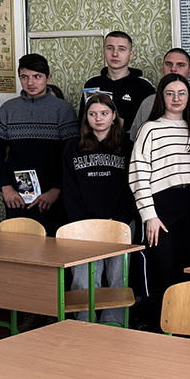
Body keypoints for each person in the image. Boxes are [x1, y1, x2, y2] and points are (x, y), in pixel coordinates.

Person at [130, 73, 190, 330]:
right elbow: (138, 174)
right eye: (170, 93)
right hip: (161, 207)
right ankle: (159, 328)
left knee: (189, 270)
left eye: (182, 93)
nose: (176, 98)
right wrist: (149, 216)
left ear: (189, 97)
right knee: (162, 271)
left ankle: (186, 328)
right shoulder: (149, 129)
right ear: (161, 97)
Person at [62, 94, 134, 323]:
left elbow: (133, 186)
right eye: (92, 114)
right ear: (86, 118)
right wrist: (83, 222)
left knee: (117, 278)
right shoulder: (72, 147)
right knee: (83, 279)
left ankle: (114, 323)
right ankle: (84, 323)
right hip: (83, 226)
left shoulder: (128, 147)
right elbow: (69, 188)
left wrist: (120, 219)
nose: (98, 118)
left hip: (119, 223)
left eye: (104, 113)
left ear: (114, 116)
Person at [0, 54, 78, 236]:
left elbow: (71, 155)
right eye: (24, 77)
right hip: (17, 196)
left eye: (37, 76)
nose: (30, 82)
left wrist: (56, 190)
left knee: (54, 246)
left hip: (53, 197)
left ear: (48, 78)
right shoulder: (7, 110)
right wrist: (6, 188)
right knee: (18, 245)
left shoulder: (63, 110)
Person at [78, 31, 155, 136]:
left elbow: (151, 124)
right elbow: (83, 122)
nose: (115, 54)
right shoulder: (92, 84)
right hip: (96, 143)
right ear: (103, 52)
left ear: (131, 55)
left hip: (132, 143)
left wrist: (124, 124)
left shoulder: (144, 86)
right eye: (110, 48)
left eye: (121, 49)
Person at [130, 48, 190, 142]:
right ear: (162, 67)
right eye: (168, 64)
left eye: (180, 65)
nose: (173, 69)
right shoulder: (148, 102)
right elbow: (135, 138)